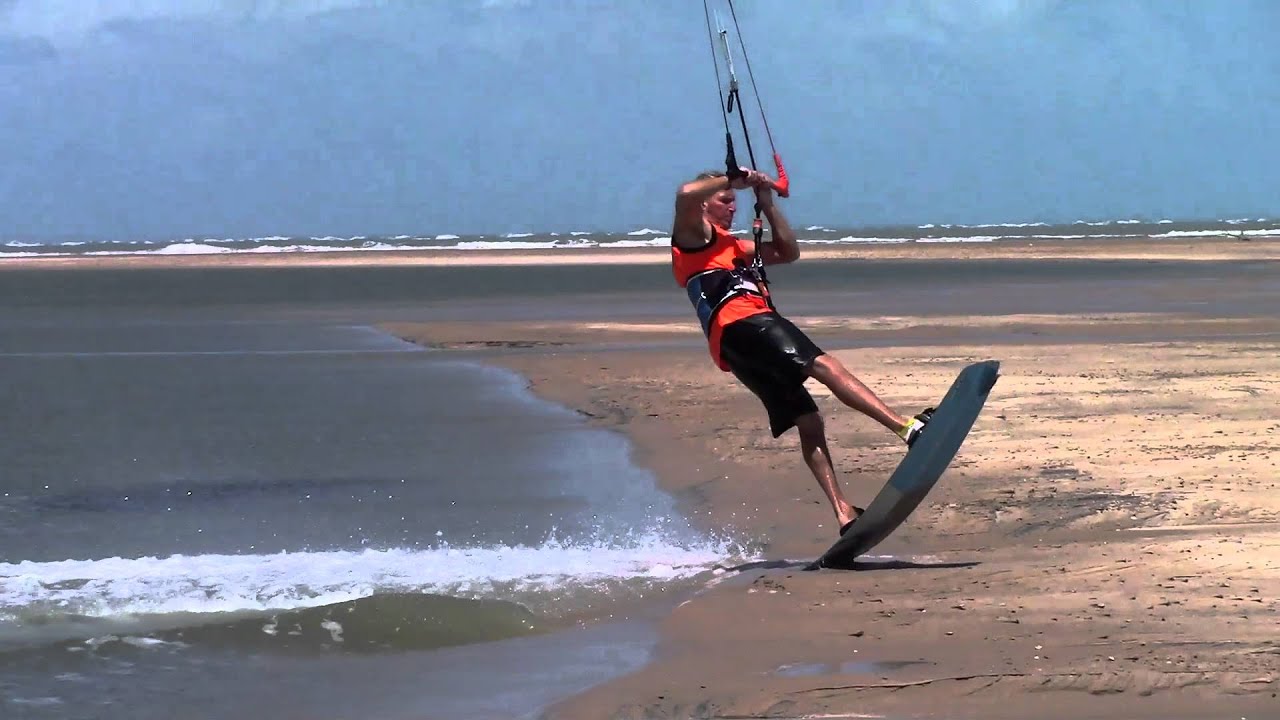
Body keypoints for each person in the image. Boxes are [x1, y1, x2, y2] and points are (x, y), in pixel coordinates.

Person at [670, 166, 934, 536]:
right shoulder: (693, 236)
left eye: (735, 202)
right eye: (726, 200)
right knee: (824, 366)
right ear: (704, 204)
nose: (733, 207)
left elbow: (787, 252)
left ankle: (844, 513)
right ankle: (907, 430)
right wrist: (735, 178)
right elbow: (685, 193)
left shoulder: (737, 246)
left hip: (732, 349)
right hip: (748, 322)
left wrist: (767, 204)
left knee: (809, 421)